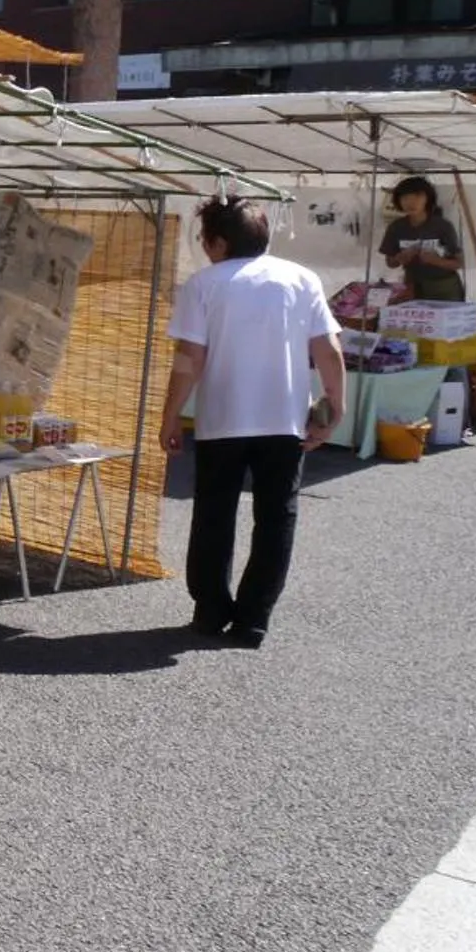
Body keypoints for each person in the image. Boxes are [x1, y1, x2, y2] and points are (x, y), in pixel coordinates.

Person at [158, 196, 344, 649]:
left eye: (204, 239)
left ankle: (210, 610)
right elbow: (328, 350)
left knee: (214, 515)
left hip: (222, 418)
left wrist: (169, 416)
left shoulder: (204, 284)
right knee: (276, 518)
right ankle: (253, 618)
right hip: (284, 419)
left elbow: (189, 359)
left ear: (219, 242)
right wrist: (333, 409)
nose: (203, 247)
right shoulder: (302, 278)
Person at [379, 176, 467, 303]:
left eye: (417, 196)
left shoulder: (443, 226)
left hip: (444, 287)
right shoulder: (396, 227)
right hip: (412, 285)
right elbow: (390, 263)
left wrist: (435, 260)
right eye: (405, 198)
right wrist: (400, 257)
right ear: (398, 201)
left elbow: (459, 263)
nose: (411, 202)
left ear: (428, 198)